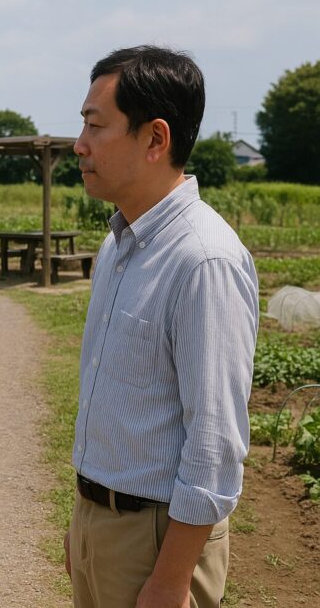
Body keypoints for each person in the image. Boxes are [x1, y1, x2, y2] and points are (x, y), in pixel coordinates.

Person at [63, 45, 258, 607]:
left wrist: (171, 579)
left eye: (95, 127)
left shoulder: (204, 259)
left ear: (155, 139)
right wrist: (85, 529)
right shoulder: (120, 241)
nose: (80, 145)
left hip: (158, 539)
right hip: (101, 523)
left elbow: (216, 442)